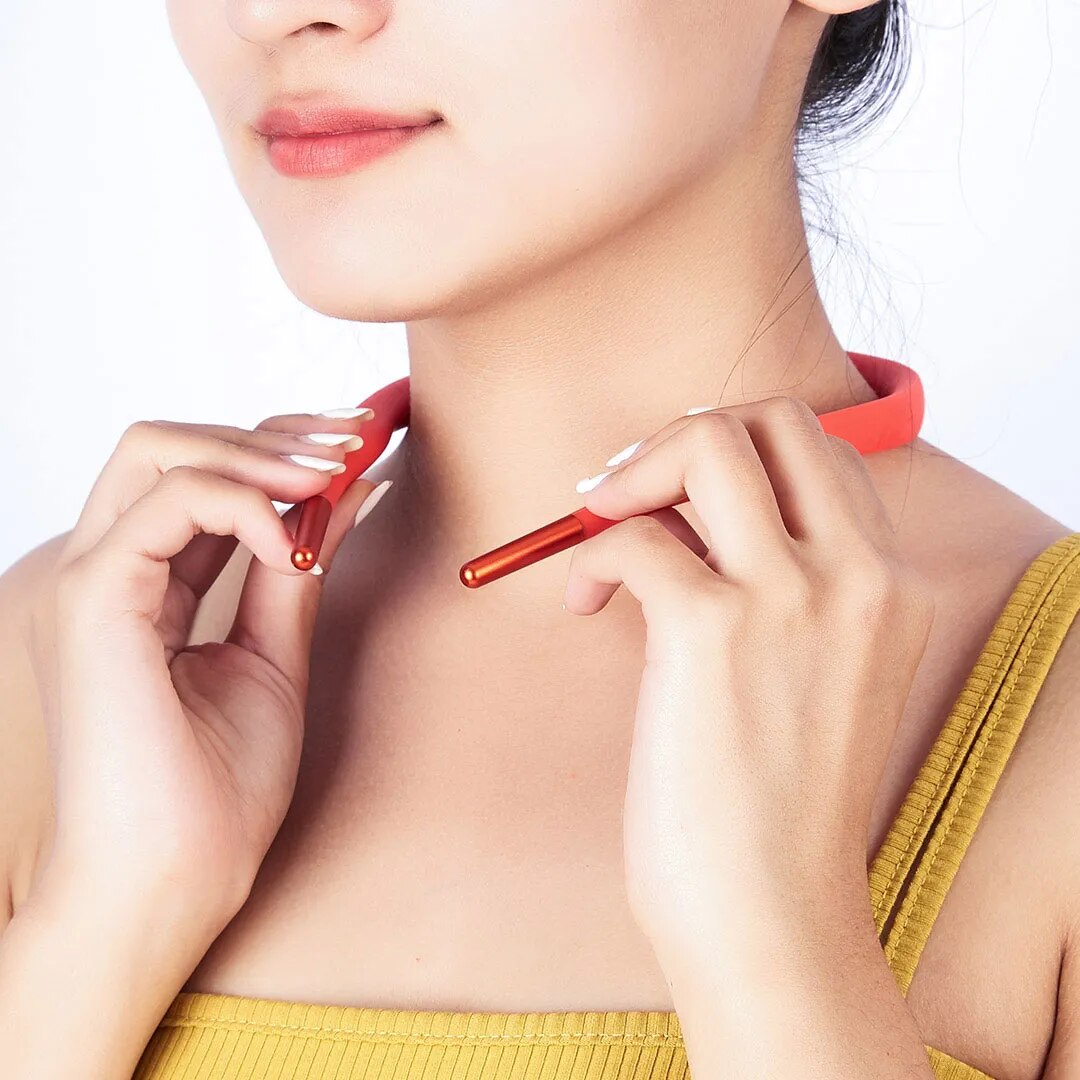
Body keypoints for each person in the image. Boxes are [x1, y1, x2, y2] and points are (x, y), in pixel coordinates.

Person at [0, 1, 1076, 1077]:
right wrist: (103, 924)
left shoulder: (1054, 726)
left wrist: (782, 947)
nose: (274, 11)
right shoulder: (77, 660)